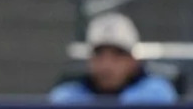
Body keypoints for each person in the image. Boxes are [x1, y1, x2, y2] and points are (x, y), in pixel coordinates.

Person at [49, 13, 178, 104]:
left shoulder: (156, 94)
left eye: (118, 54)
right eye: (99, 54)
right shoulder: (66, 98)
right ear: (89, 61)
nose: (107, 64)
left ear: (133, 60)